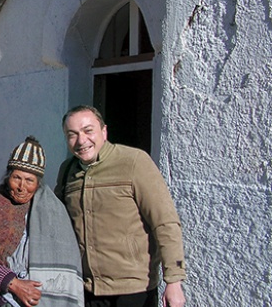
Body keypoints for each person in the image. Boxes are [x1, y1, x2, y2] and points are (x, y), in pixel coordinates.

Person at [55, 105, 186, 307]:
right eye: (72, 135)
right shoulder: (67, 171)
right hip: (87, 289)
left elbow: (165, 223)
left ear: (104, 131)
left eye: (88, 131)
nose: (81, 141)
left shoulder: (134, 162)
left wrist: (174, 281)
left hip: (133, 289)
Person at [0, 136, 84, 307]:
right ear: (8, 178)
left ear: (38, 184)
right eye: (17, 178)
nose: (22, 186)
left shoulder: (52, 216)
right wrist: (13, 284)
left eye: (29, 180)